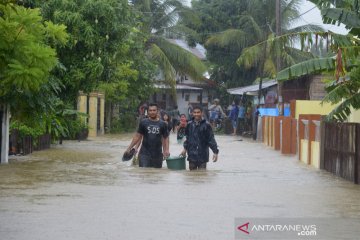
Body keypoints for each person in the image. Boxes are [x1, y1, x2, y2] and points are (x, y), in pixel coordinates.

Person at [125, 103, 170, 168]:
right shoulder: (143, 122)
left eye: (154, 110)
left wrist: (166, 150)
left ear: (157, 111)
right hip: (144, 154)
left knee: (156, 174)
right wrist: (129, 148)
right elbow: (137, 136)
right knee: (144, 173)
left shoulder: (163, 124)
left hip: (158, 154)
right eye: (150, 110)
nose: (152, 112)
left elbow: (166, 138)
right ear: (148, 112)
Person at [180, 106, 219, 170]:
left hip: (203, 155)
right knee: (191, 176)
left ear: (202, 113)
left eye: (198, 112)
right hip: (191, 155)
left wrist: (215, 152)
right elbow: (187, 138)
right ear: (192, 113)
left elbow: (211, 139)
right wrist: (185, 149)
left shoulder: (207, 125)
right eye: (195, 112)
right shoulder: (189, 124)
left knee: (202, 175)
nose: (196, 114)